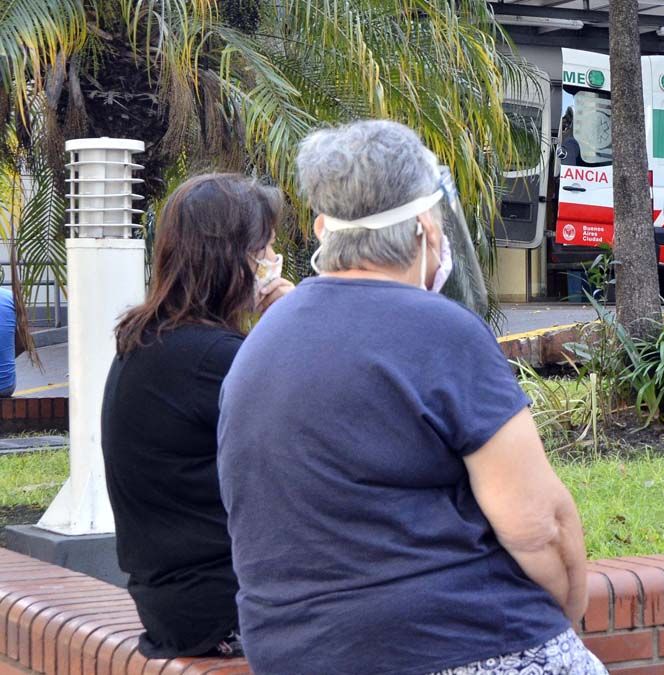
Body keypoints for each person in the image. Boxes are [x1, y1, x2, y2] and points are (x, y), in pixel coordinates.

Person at [217, 120, 602, 675]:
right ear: (424, 225)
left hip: (290, 653)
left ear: (328, 230)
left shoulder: (261, 342)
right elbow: (539, 525)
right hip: (451, 643)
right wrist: (560, 626)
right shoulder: (442, 333)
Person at [100, 174, 294, 659]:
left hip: (177, 605)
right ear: (232, 258)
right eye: (265, 250)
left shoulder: (151, 340)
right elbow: (328, 435)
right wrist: (293, 322)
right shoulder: (213, 358)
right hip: (223, 607)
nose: (272, 263)